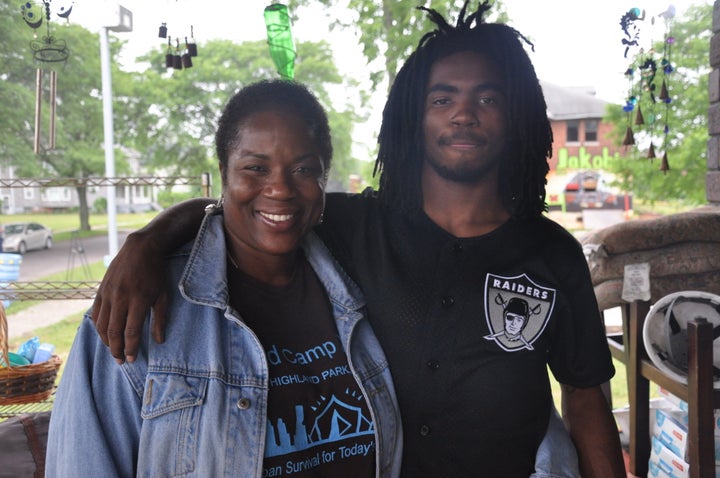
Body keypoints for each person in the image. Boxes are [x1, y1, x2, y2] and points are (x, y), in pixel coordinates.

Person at [90, 2, 626, 477]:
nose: (464, 112)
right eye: (442, 99)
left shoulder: (553, 253)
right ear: (413, 119)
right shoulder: (351, 226)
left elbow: (584, 395)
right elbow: (256, 206)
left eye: (487, 98)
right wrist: (149, 241)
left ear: (517, 118)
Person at [45, 79, 403, 477]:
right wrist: (147, 240)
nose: (280, 189)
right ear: (223, 173)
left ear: (324, 180)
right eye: (255, 168)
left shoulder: (361, 282)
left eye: (303, 169)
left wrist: (151, 235)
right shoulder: (138, 306)